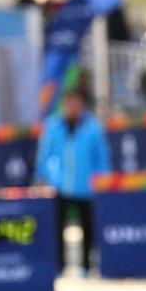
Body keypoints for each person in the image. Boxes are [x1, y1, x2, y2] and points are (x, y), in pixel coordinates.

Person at [34, 88, 111, 275]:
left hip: (85, 185)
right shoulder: (53, 126)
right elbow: (44, 154)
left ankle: (86, 266)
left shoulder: (93, 127)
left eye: (77, 103)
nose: (73, 107)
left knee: (88, 226)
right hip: (59, 185)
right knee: (56, 227)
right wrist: (42, 177)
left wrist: (102, 180)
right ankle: (58, 266)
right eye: (70, 103)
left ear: (82, 104)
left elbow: (102, 157)